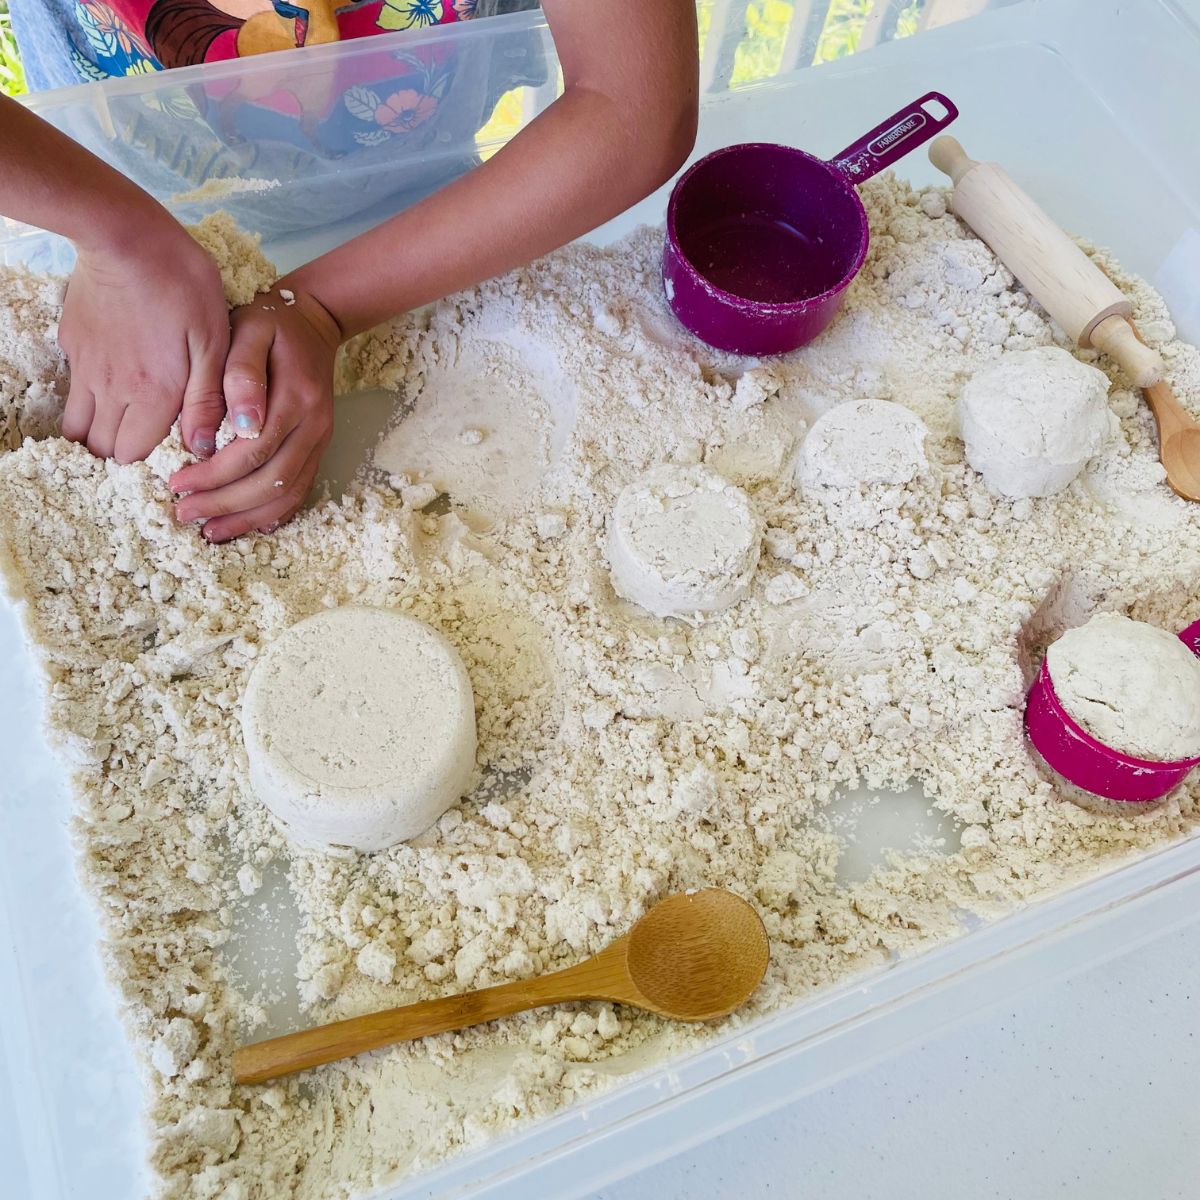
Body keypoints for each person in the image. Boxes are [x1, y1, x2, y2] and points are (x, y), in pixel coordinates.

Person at [4, 0, 699, 541]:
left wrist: (322, 308)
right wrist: (117, 237)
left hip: (423, 203)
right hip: (105, 175)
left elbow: (630, 106)